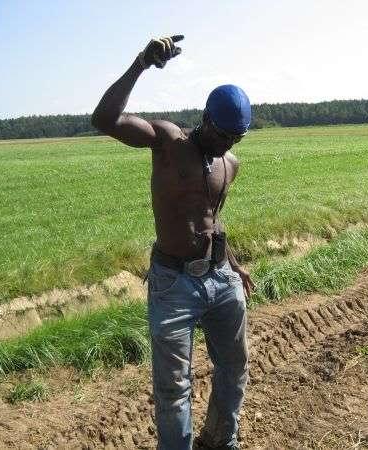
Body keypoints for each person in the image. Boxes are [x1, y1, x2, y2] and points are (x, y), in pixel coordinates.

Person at [91, 35, 256, 450]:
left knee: (235, 369)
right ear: (205, 118)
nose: (226, 144)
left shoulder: (229, 163)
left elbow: (212, 220)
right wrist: (141, 63)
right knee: (173, 388)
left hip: (221, 278)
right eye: (222, 134)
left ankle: (220, 441)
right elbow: (105, 120)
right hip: (173, 283)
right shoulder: (168, 141)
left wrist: (235, 266)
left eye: (235, 138)